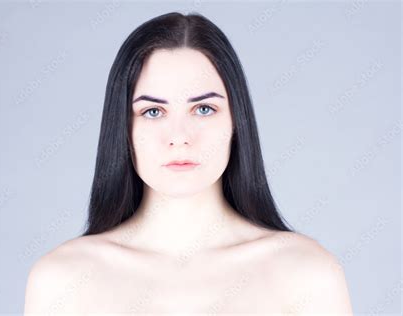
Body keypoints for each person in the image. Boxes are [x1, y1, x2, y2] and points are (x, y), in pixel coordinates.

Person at [24, 12, 353, 315]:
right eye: (153, 112)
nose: (179, 137)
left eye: (204, 109)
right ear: (122, 128)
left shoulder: (307, 274)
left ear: (236, 122)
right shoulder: (64, 280)